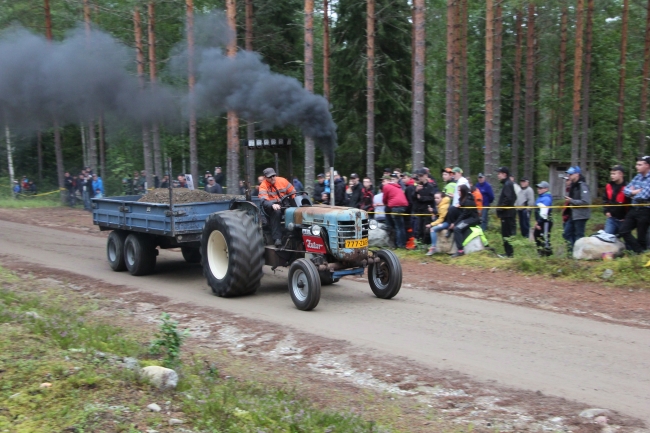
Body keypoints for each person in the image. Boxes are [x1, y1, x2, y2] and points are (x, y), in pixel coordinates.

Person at [258, 168, 296, 247]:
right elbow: (263, 201)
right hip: (270, 207)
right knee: (276, 212)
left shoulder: (283, 181)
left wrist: (295, 203)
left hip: (284, 204)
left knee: (294, 210)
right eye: (270, 177)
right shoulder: (263, 186)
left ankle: (295, 232)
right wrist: (272, 205)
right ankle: (277, 238)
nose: (272, 178)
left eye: (273, 176)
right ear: (265, 177)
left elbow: (293, 193)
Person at [619, 156, 650, 253]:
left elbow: (644, 196)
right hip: (634, 209)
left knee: (642, 236)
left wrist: (632, 193)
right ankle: (640, 251)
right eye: (637, 164)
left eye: (640, 164)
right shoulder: (637, 177)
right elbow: (625, 190)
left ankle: (642, 256)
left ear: (647, 166)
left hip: (645, 210)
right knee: (623, 231)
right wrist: (634, 192)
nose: (637, 166)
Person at [562, 166, 591, 253]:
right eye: (569, 174)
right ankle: (572, 252)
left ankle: (579, 255)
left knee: (579, 236)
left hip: (581, 215)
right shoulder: (573, 186)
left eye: (571, 174)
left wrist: (571, 201)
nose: (569, 176)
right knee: (566, 233)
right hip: (573, 214)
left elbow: (586, 201)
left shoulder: (582, 185)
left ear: (577, 174)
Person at [449, 185, 481, 258]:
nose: (458, 192)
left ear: (463, 191)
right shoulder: (462, 199)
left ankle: (460, 250)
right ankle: (450, 227)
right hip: (466, 217)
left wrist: (455, 223)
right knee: (452, 209)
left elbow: (464, 215)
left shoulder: (469, 201)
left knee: (457, 228)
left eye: (459, 190)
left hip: (472, 219)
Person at [382, 174, 409, 248]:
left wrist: (385, 204)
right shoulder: (397, 186)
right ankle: (402, 243)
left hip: (396, 207)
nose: (382, 183)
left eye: (383, 181)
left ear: (388, 181)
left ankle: (399, 244)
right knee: (401, 226)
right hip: (404, 206)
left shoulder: (386, 186)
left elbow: (385, 199)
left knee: (397, 227)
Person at [603, 165, 631, 236]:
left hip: (623, 220)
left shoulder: (628, 187)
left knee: (628, 241)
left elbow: (631, 204)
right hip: (611, 218)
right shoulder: (608, 186)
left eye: (614, 174)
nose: (612, 176)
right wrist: (606, 210)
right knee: (607, 238)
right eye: (611, 174)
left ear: (621, 174)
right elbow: (605, 200)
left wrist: (627, 218)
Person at [495, 167, 517, 258]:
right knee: (506, 233)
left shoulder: (508, 184)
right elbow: (514, 197)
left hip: (507, 214)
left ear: (504, 174)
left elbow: (509, 198)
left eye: (499, 173)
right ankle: (509, 253)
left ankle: (509, 254)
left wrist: (501, 208)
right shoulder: (507, 183)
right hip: (508, 213)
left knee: (506, 234)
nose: (498, 175)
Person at [413, 169, 437, 244]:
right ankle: (419, 243)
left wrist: (421, 198)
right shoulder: (417, 186)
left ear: (426, 176)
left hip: (427, 210)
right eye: (419, 176)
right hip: (419, 210)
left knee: (426, 228)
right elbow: (413, 197)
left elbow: (432, 198)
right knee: (418, 228)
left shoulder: (431, 186)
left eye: (421, 176)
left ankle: (426, 244)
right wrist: (416, 191)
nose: (420, 178)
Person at [426, 191, 451, 255]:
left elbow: (441, 219)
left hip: (447, 222)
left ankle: (433, 247)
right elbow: (439, 214)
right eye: (435, 198)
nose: (435, 200)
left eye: (437, 198)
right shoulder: (441, 204)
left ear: (442, 198)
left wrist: (431, 224)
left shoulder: (443, 206)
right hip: (444, 221)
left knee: (433, 229)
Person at [533, 181, 553, 256]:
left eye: (540, 188)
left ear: (546, 189)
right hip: (540, 221)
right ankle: (541, 253)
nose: (538, 189)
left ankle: (547, 255)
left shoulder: (546, 198)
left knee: (545, 238)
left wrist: (538, 222)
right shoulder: (540, 197)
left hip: (545, 222)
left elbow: (544, 213)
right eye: (538, 188)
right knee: (537, 236)